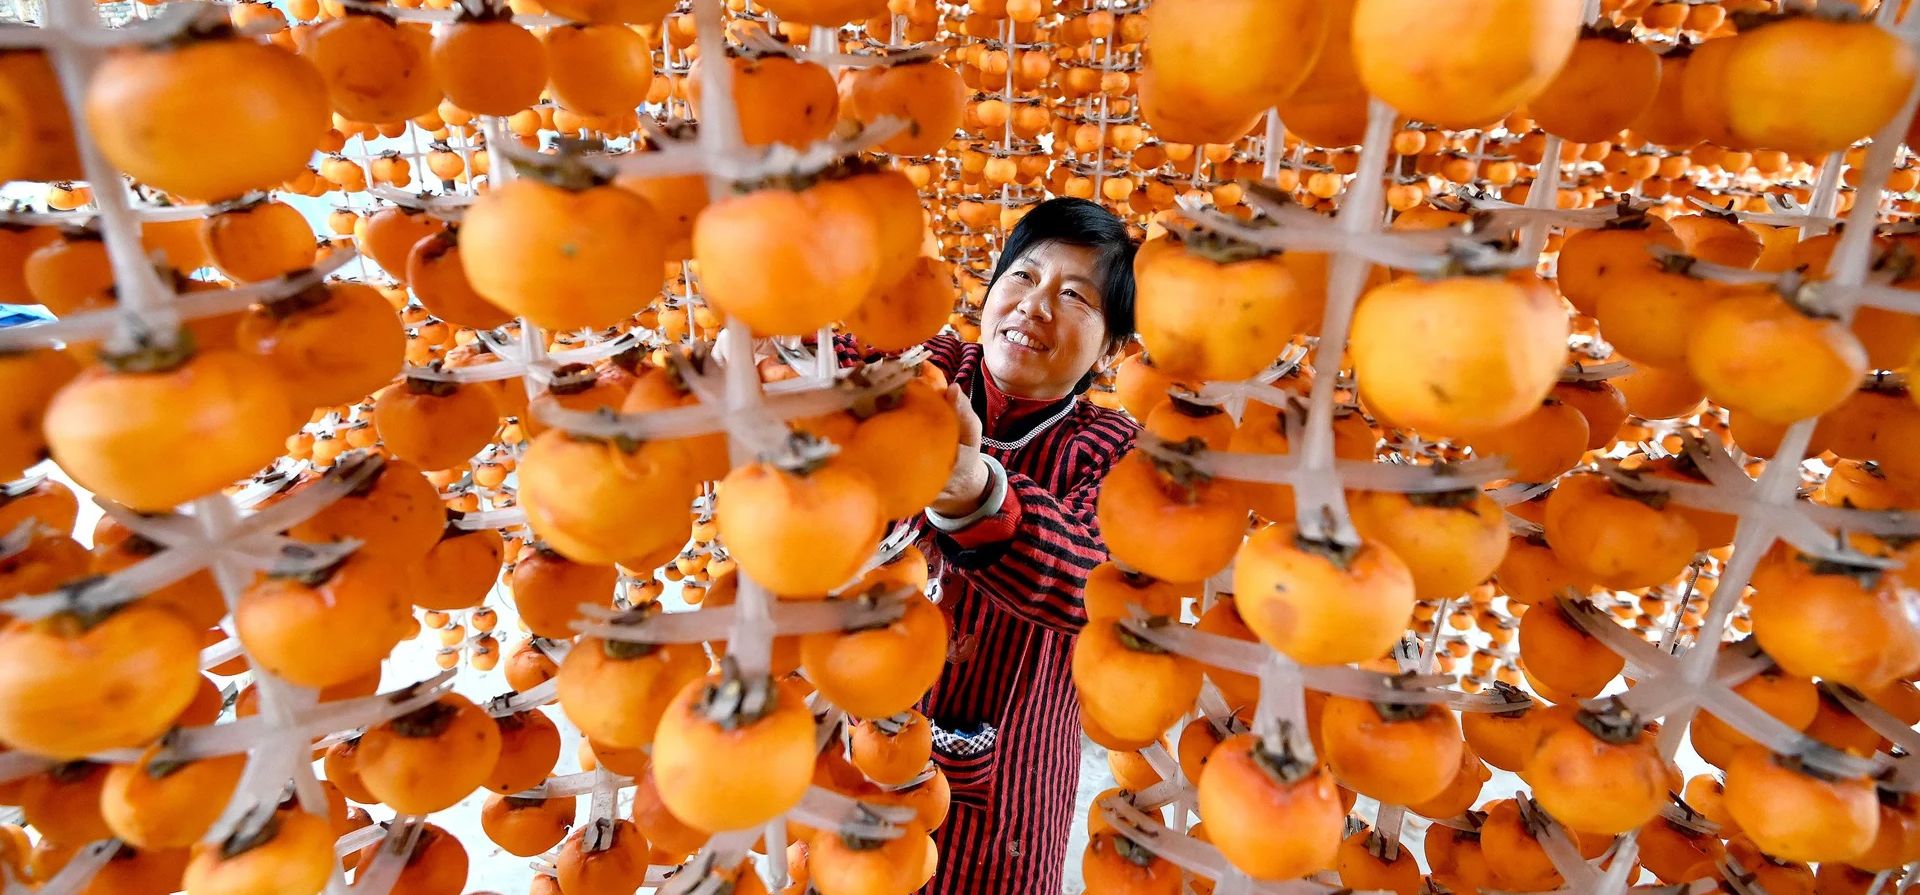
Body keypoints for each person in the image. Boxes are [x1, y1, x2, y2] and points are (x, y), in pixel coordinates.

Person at [839, 197, 1141, 895]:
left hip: (1007, 781)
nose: (1034, 306)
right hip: (857, 735)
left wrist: (976, 491)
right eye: (1023, 276)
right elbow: (829, 356)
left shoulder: (1111, 450)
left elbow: (1090, 583)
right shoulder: (924, 363)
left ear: (1114, 349)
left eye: (1074, 296)